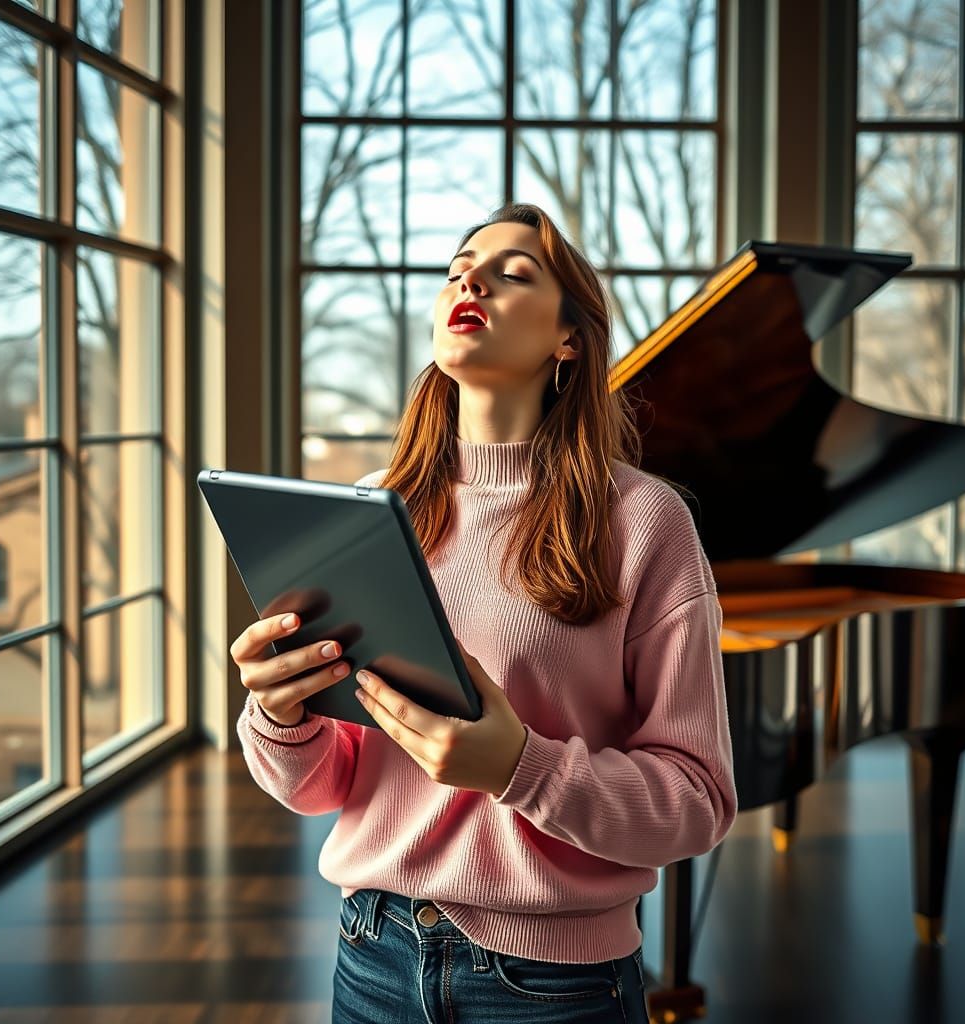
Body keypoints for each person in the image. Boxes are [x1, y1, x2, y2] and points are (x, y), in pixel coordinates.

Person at [232, 203, 738, 1023]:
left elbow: (699, 803)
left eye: (514, 273)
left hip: (554, 988)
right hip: (371, 952)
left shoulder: (644, 522)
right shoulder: (373, 512)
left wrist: (520, 768)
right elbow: (324, 785)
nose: (470, 279)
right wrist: (280, 712)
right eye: (460, 266)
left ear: (568, 339)